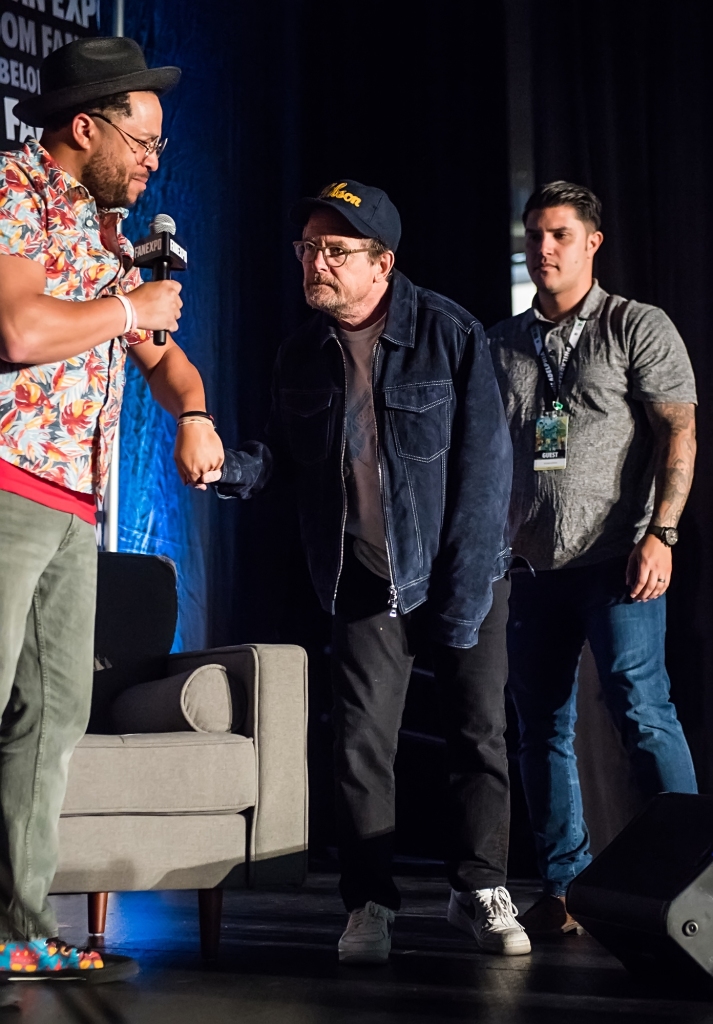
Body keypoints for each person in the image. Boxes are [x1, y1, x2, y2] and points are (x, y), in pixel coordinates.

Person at [212, 178, 531, 962]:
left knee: (478, 735)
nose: (314, 264)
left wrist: (461, 599)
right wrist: (227, 469)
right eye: (308, 249)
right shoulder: (302, 350)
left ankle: (480, 886)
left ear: (382, 263)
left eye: (334, 251)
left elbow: (487, 472)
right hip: (359, 576)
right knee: (359, 742)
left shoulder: (449, 334)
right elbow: (281, 458)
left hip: (461, 571)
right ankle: (367, 903)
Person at [0, 38, 223, 981]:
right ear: (84, 126)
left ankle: (16, 928)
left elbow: (164, 360)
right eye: (145, 139)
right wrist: (130, 311)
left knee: (51, 722)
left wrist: (196, 414)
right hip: (6, 488)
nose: (152, 159)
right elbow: (18, 326)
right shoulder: (14, 188)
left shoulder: (106, 236)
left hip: (75, 505)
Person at [487, 181, 698, 936]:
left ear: (591, 243)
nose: (543, 249)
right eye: (534, 236)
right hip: (534, 570)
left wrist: (662, 534)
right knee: (537, 727)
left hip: (619, 561)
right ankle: (563, 887)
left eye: (559, 236)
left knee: (642, 714)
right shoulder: (502, 343)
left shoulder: (634, 325)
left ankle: (691, 882)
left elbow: (678, 433)